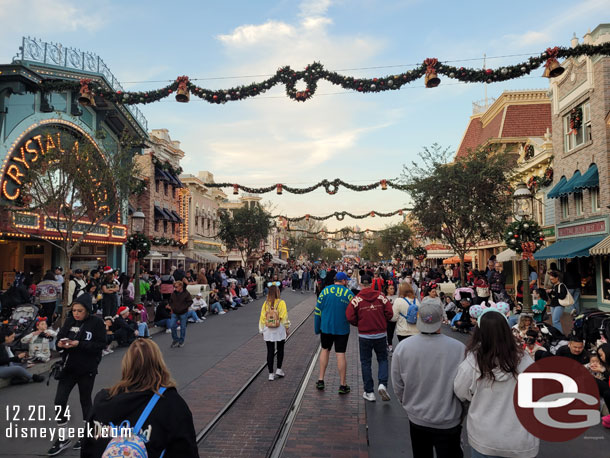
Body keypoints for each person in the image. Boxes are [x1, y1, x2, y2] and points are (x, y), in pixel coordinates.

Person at [81, 339, 199, 457]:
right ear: (159, 364)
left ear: (126, 364)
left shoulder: (103, 399)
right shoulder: (171, 403)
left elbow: (87, 447)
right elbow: (186, 450)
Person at [454, 309, 539, 458]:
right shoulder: (525, 360)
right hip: (520, 438)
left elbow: (460, 391)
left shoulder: (473, 362)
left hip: (485, 437)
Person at [392, 299, 466, 458]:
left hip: (417, 416)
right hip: (448, 418)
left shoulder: (404, 348)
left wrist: (407, 403)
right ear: (440, 319)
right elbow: (465, 387)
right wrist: (461, 410)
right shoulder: (459, 349)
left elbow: (397, 384)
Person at [49, 294, 105, 455]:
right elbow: (60, 338)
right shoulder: (69, 321)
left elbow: (100, 344)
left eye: (80, 311)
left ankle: (86, 434)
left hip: (87, 369)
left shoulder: (96, 323)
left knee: (85, 401)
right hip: (68, 368)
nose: (76, 313)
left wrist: (79, 344)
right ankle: (63, 437)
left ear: (87, 310)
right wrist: (60, 344)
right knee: (59, 400)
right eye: (74, 310)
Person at [346, 274, 393, 402]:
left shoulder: (357, 299)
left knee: (366, 362)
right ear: (372, 283)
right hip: (380, 334)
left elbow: (349, 316)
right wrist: (382, 320)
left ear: (361, 284)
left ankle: (369, 391)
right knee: (383, 359)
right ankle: (382, 384)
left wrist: (359, 323)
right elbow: (390, 312)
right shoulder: (381, 296)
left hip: (365, 335)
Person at [314, 272, 354, 394]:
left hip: (326, 327)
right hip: (342, 328)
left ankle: (320, 380)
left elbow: (317, 311)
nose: (347, 282)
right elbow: (353, 313)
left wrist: (317, 328)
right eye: (346, 280)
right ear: (343, 281)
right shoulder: (349, 294)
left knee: (325, 350)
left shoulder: (324, 291)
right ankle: (342, 384)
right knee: (340, 354)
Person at [259, 282, 290, 381]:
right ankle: (279, 369)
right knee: (280, 349)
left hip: (268, 328)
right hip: (279, 328)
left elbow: (262, 317)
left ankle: (270, 373)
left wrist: (262, 329)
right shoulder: (281, 303)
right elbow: (284, 317)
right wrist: (286, 327)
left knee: (270, 351)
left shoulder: (265, 303)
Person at [169, 281, 193, 348]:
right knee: (172, 325)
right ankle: (176, 339)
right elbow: (170, 301)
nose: (175, 288)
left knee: (183, 327)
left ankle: (181, 341)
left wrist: (184, 307)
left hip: (183, 312)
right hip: (175, 312)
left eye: (176, 287)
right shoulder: (173, 293)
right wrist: (172, 308)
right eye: (174, 287)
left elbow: (190, 301)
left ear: (180, 286)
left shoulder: (186, 293)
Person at [385, 283, 398, 353]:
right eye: (391, 289)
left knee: (394, 332)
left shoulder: (397, 297)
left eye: (393, 289)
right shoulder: (385, 298)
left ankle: (389, 342)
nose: (392, 290)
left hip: (396, 318)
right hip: (388, 318)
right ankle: (390, 344)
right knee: (389, 331)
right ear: (387, 290)